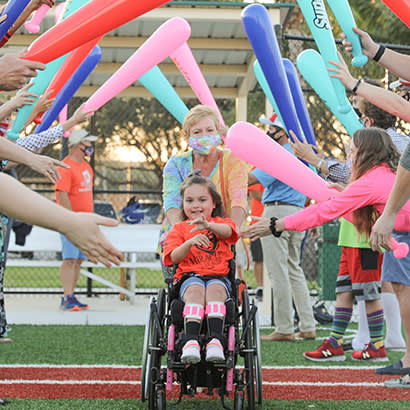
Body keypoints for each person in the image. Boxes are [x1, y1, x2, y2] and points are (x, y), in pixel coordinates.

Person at [242, 127, 409, 367]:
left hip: (400, 238)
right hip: (400, 237)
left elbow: (324, 212)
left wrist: (276, 224)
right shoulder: (379, 174)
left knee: (399, 291)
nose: (348, 157)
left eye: (352, 152)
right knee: (380, 289)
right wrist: (344, 193)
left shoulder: (370, 180)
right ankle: (348, 344)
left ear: (365, 154)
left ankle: (388, 350)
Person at [291, 99, 409, 352]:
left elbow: (357, 180)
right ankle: (342, 341)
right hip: (356, 228)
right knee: (349, 287)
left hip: (366, 233)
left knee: (371, 289)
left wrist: (316, 159)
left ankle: (374, 341)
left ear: (368, 120)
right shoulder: (386, 142)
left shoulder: (377, 147)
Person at [248, 114, 315, 342]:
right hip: (299, 212)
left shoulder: (279, 155)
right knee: (294, 269)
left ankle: (285, 327)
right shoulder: (302, 154)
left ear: (283, 133)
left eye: (272, 129)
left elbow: (249, 179)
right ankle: (307, 325)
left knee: (278, 272)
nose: (269, 133)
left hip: (276, 212)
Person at [161, 105, 248, 272]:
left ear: (218, 132)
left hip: (219, 233)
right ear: (187, 136)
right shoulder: (176, 164)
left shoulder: (233, 161)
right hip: (181, 234)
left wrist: (231, 231)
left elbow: (239, 199)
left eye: (210, 130)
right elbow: (171, 202)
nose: (205, 136)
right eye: (197, 132)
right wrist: (185, 233)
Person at [163, 173, 238, 364]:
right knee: (195, 290)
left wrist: (209, 226)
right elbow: (172, 257)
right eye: (189, 200)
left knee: (215, 290)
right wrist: (189, 243)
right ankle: (191, 342)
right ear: (183, 204)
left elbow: (230, 233)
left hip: (218, 277)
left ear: (214, 203)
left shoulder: (221, 224)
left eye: (202, 200)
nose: (195, 205)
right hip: (190, 277)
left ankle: (215, 341)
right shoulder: (179, 229)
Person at [55, 129, 98, 311]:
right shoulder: (65, 166)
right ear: (78, 144)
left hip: (85, 222)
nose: (90, 147)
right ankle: (66, 297)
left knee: (79, 260)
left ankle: (72, 295)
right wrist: (71, 218)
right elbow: (61, 193)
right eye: (87, 143)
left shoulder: (86, 167)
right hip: (70, 221)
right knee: (70, 259)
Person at [247, 172, 264, 301]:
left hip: (274, 221)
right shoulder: (255, 170)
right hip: (257, 222)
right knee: (259, 258)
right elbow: (254, 193)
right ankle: (260, 287)